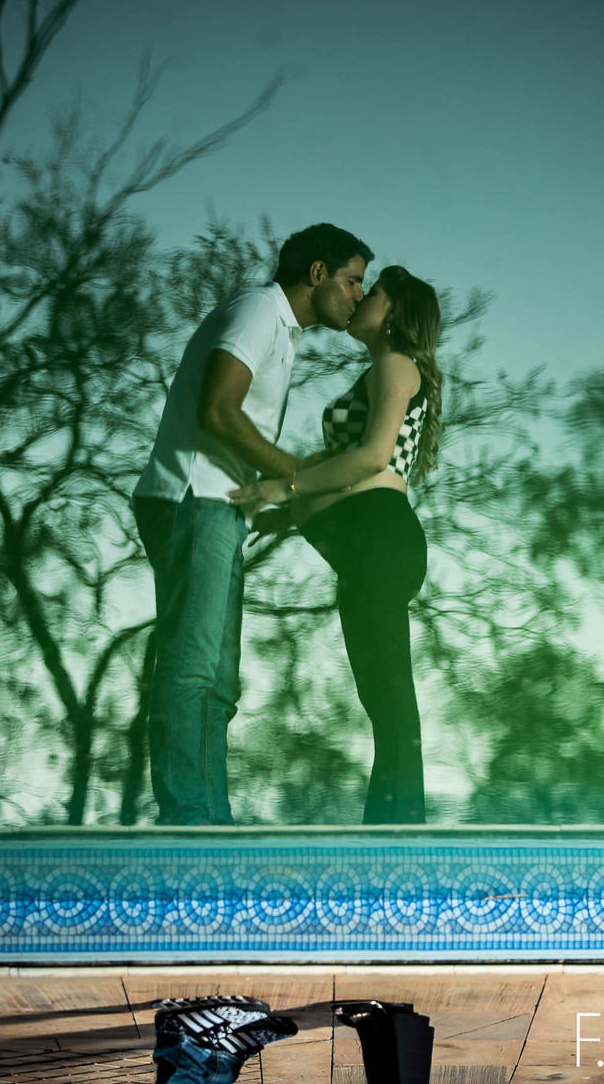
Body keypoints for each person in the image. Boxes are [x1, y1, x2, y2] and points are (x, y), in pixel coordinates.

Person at [133, 224, 373, 826]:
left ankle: (210, 819)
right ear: (316, 275)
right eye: (351, 282)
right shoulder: (259, 309)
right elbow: (216, 409)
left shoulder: (282, 331)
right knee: (192, 668)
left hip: (221, 508)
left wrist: (272, 496)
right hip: (195, 498)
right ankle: (188, 818)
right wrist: (293, 475)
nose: (357, 298)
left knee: (217, 680)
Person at [229, 265, 442, 824]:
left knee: (392, 700)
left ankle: (399, 837)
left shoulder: (396, 365)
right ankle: (392, 828)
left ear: (392, 311)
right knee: (383, 700)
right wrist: (286, 512)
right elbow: (339, 463)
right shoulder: (382, 369)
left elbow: (372, 458)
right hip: (365, 546)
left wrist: (286, 487)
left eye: (371, 293)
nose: (360, 299)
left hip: (380, 539)